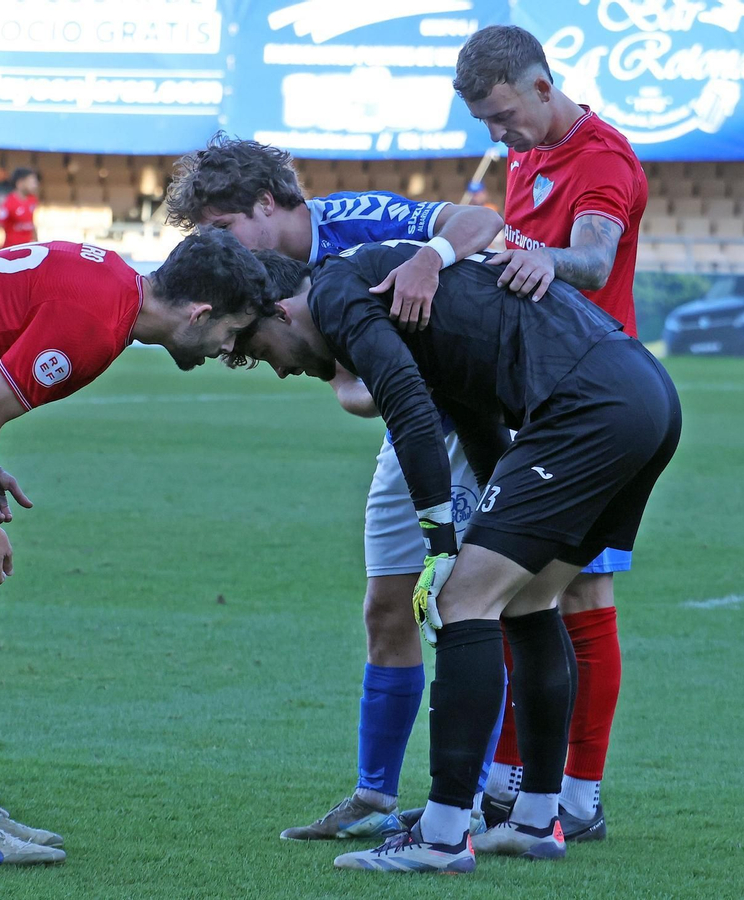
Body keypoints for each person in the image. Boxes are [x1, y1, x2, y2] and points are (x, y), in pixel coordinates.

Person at [226, 241, 681, 874]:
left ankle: (440, 836)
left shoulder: (332, 291)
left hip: (590, 405)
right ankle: (535, 821)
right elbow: (473, 417)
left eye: (257, 349)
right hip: (646, 395)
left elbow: (409, 409)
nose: (276, 369)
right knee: (530, 600)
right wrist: (493, 522)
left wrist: (442, 542)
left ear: (281, 310)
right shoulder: (393, 302)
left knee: (462, 599)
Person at [0, 231, 274, 866]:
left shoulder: (112, 280)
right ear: (200, 313)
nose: (228, 349)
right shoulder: (94, 327)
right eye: (230, 333)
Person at [165, 135, 508, 842]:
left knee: (464, 606)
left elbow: (481, 219)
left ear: (267, 202)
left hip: (472, 421)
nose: (219, 245)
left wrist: (427, 260)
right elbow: (349, 389)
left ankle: (470, 799)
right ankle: (374, 797)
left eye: (223, 227)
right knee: (386, 608)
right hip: (409, 430)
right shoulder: (266, 286)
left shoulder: (353, 221)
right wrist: (384, 382)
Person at [445, 23, 650, 840]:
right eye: (485, 124)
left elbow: (593, 261)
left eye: (504, 116)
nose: (499, 135)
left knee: (580, 594)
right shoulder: (527, 151)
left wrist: (547, 261)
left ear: (541, 85)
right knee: (514, 586)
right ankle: (512, 782)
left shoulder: (602, 158)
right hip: (538, 394)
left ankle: (577, 797)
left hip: (594, 402)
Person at [0, 168, 39, 249]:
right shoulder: (8, 203)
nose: (35, 185)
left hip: (28, 250)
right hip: (12, 251)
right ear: (20, 183)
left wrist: (37, 243)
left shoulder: (32, 200)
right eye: (31, 182)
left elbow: (31, 224)